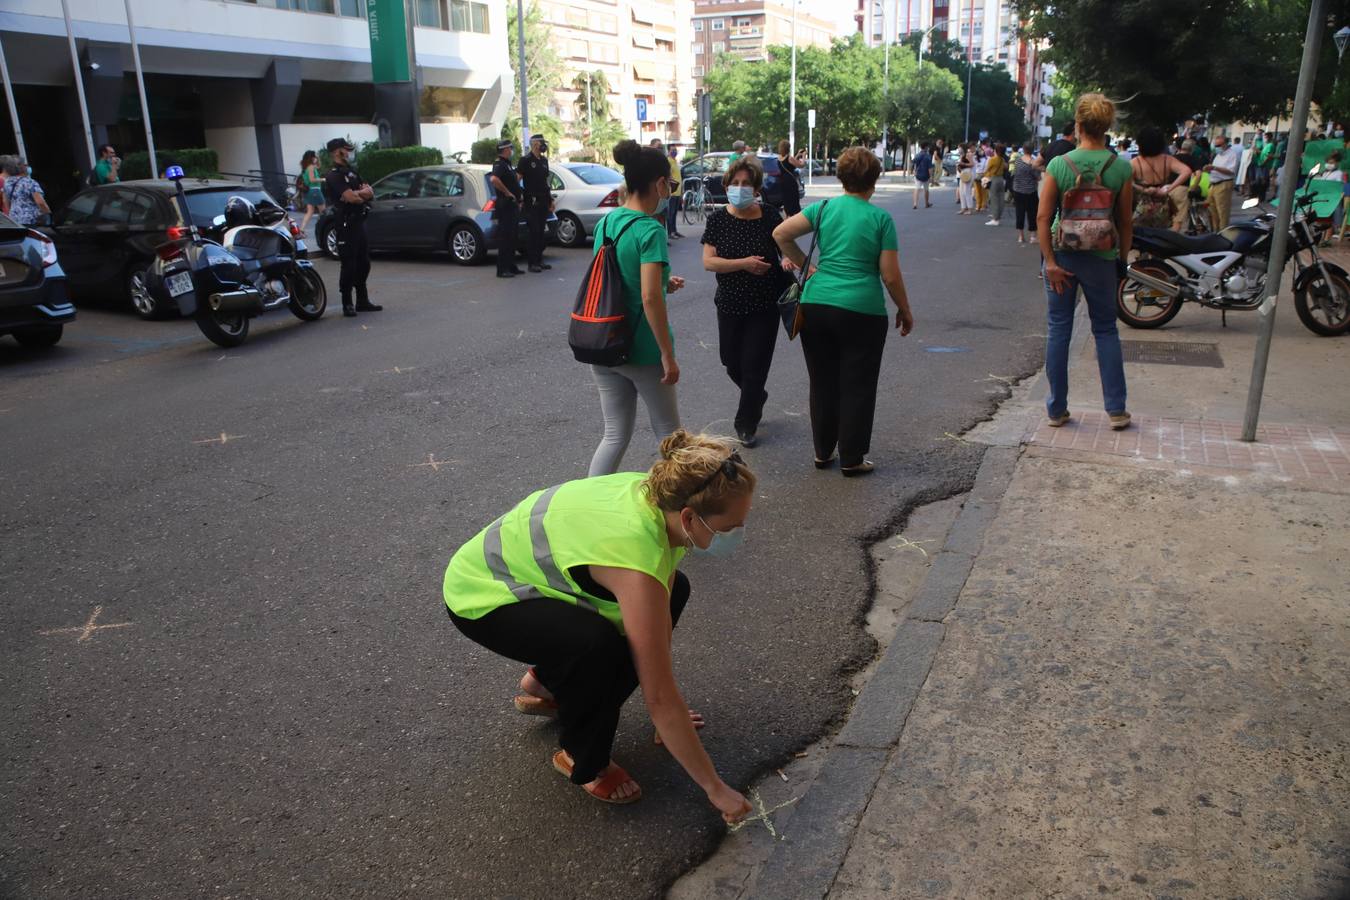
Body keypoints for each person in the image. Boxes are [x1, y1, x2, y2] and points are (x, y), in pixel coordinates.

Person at [442, 428, 756, 819]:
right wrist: (716, 788)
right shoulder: (636, 554)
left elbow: (656, 637)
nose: (737, 535)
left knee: (672, 595)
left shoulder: (661, 495)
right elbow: (658, 693)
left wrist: (671, 719)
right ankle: (582, 759)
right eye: (729, 528)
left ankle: (545, 685)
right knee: (598, 648)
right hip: (481, 594)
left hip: (528, 577)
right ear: (691, 517)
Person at [773, 147, 915, 476]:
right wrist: (905, 310)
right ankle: (851, 458)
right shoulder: (880, 219)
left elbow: (780, 233)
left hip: (818, 305)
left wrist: (809, 269)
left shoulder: (823, 209)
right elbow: (890, 275)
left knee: (822, 381)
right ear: (874, 181)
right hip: (862, 310)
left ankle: (823, 452)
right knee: (858, 383)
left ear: (841, 177)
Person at [1036, 93, 1134, 432]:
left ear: (1077, 126)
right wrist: (1122, 262)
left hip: (1063, 257)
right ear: (1107, 127)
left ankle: (1056, 409)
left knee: (1059, 329)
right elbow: (1125, 221)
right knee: (1106, 330)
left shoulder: (1059, 165)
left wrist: (1049, 261)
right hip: (1103, 258)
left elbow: (1043, 216)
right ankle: (1116, 410)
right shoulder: (1120, 166)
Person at [587, 140, 685, 476]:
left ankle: (587, 505)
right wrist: (667, 355)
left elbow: (615, 279)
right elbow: (648, 298)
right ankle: (675, 508)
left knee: (614, 435)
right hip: (642, 349)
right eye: (669, 185)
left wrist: (662, 283)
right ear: (658, 183)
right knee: (670, 436)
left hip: (605, 342)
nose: (669, 192)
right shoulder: (650, 230)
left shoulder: (606, 223)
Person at [701, 156, 785, 448]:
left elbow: (784, 249)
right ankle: (756, 394)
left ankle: (746, 422)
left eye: (746, 183)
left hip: (765, 304)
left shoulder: (771, 216)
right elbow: (709, 262)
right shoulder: (718, 220)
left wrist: (788, 261)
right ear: (726, 186)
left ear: (757, 188)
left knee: (754, 367)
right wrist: (744, 263)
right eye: (734, 183)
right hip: (729, 304)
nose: (740, 188)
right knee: (730, 362)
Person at [323, 137, 380, 316]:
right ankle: (347, 302)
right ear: (337, 151)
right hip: (345, 223)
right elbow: (351, 198)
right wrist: (359, 194)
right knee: (349, 264)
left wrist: (360, 193)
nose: (348, 153)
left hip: (359, 220)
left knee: (364, 262)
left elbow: (369, 191)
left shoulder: (352, 172)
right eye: (345, 150)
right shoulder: (334, 175)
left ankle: (362, 300)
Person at [1130, 126, 1191, 230]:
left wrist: (1144, 189)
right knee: (1160, 238)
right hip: (1162, 207)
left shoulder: (1135, 162)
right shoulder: (1168, 160)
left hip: (1141, 207)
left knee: (1141, 238)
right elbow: (1187, 171)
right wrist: (1169, 188)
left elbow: (1128, 182)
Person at [518, 134, 554, 273]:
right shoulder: (525, 160)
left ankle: (539, 260)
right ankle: (532, 263)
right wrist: (520, 195)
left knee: (541, 232)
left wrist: (551, 200)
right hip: (531, 200)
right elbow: (518, 178)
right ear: (534, 144)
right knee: (533, 231)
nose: (543, 145)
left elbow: (545, 182)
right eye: (541, 143)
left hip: (544, 199)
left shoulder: (544, 160)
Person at [489, 140, 523, 279]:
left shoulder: (507, 164)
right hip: (505, 205)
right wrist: (508, 193)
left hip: (512, 205)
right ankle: (502, 269)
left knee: (513, 237)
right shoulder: (499, 164)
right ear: (505, 150)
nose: (512, 150)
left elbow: (514, 181)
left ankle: (511, 266)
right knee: (505, 238)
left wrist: (519, 198)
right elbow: (494, 179)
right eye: (510, 148)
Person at [1204, 133, 1240, 231]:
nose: (1216, 147)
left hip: (1223, 184)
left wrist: (1214, 167)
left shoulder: (1232, 154)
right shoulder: (1218, 155)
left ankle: (1223, 232)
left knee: (1222, 212)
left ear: (1225, 144)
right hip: (1214, 184)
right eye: (1215, 145)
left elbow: (1231, 171)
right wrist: (1209, 169)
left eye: (1218, 145)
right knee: (1212, 210)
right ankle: (1216, 231)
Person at [2, 158, 50, 226]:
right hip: (30, 220)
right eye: (25, 165)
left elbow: (5, 201)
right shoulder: (30, 182)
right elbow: (40, 202)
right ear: (21, 168)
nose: (28, 167)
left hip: (14, 221)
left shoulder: (7, 182)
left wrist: (13, 213)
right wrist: (48, 214)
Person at [1011, 143, 1040, 244]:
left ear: (1023, 149)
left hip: (1018, 190)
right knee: (1032, 213)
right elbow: (1038, 177)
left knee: (1020, 212)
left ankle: (1020, 236)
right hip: (1030, 191)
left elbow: (1014, 173)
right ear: (1032, 150)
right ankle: (1033, 236)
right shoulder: (1033, 163)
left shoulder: (1017, 161)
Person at [297, 150, 325, 234]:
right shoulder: (311, 167)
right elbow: (312, 179)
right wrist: (323, 179)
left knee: (310, 211)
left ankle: (301, 229)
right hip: (315, 190)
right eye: (315, 157)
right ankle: (322, 228)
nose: (316, 158)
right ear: (311, 158)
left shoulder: (307, 167)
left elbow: (319, 165)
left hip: (309, 191)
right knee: (323, 211)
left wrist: (317, 158)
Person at [776, 140, 804, 218]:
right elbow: (801, 165)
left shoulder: (779, 158)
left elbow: (790, 164)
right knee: (794, 200)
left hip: (782, 181)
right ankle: (795, 218)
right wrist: (804, 156)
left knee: (787, 201)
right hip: (790, 181)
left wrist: (798, 155)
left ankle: (788, 217)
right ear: (788, 148)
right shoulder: (789, 158)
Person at [984, 142, 1007, 225]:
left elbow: (987, 169)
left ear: (996, 150)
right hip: (1001, 179)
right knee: (1001, 198)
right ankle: (999, 216)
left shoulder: (992, 159)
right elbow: (1006, 167)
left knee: (994, 199)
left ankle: (995, 219)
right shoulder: (1002, 159)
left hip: (994, 178)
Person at [666, 146, 684, 238]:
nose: (674, 152)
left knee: (675, 213)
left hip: (677, 192)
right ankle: (670, 233)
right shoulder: (668, 161)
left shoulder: (675, 161)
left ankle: (674, 230)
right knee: (671, 213)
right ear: (668, 151)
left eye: (675, 150)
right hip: (672, 192)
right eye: (672, 150)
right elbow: (668, 175)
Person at [912, 142, 934, 210]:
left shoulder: (917, 155)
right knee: (926, 189)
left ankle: (915, 203)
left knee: (917, 188)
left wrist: (913, 171)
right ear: (926, 147)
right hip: (926, 175)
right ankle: (926, 203)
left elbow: (913, 163)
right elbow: (929, 168)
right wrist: (931, 177)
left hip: (918, 174)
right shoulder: (928, 156)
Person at [957, 145, 976, 215]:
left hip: (968, 173)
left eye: (960, 147)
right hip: (962, 172)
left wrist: (963, 163)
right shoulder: (961, 155)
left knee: (966, 191)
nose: (958, 149)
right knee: (961, 191)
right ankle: (963, 208)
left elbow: (972, 164)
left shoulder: (968, 154)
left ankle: (970, 208)